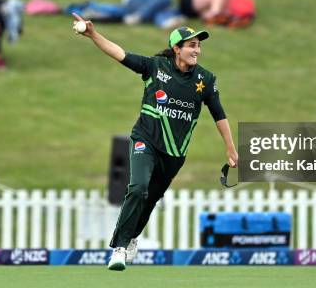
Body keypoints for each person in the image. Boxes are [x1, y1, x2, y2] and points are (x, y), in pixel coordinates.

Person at [72, 15, 238, 271]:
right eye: (191, 45)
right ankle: (119, 248)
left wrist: (230, 147)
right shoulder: (155, 67)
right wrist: (93, 35)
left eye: (198, 45)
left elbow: (219, 114)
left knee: (149, 200)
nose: (197, 50)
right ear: (176, 49)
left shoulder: (205, 80)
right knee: (138, 188)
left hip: (174, 153)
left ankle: (132, 238)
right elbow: (119, 53)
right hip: (145, 140)